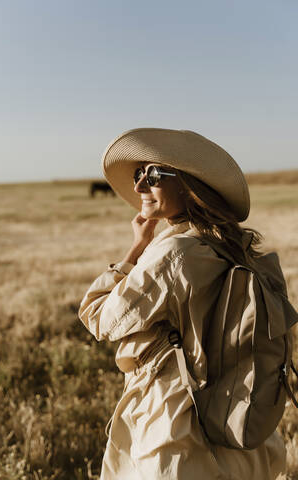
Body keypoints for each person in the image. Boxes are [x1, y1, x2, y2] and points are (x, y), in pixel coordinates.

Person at [79, 128, 287, 479]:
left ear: (190, 186)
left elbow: (98, 317)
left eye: (155, 175)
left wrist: (135, 250)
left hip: (175, 428)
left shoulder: (172, 255)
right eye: (138, 175)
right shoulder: (235, 246)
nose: (140, 186)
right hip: (235, 420)